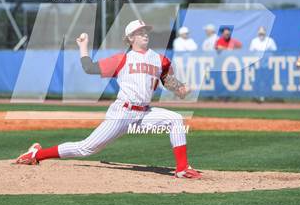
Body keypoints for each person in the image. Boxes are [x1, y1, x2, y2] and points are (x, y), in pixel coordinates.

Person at [16, 20, 202, 179]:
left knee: (176, 119)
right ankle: (36, 154)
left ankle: (182, 169)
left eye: (145, 31)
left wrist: (181, 88)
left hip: (144, 113)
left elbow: (167, 80)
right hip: (122, 112)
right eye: (139, 32)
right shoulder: (121, 59)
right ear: (130, 38)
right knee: (86, 148)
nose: (144, 34)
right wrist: (83, 47)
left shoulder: (159, 59)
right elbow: (89, 68)